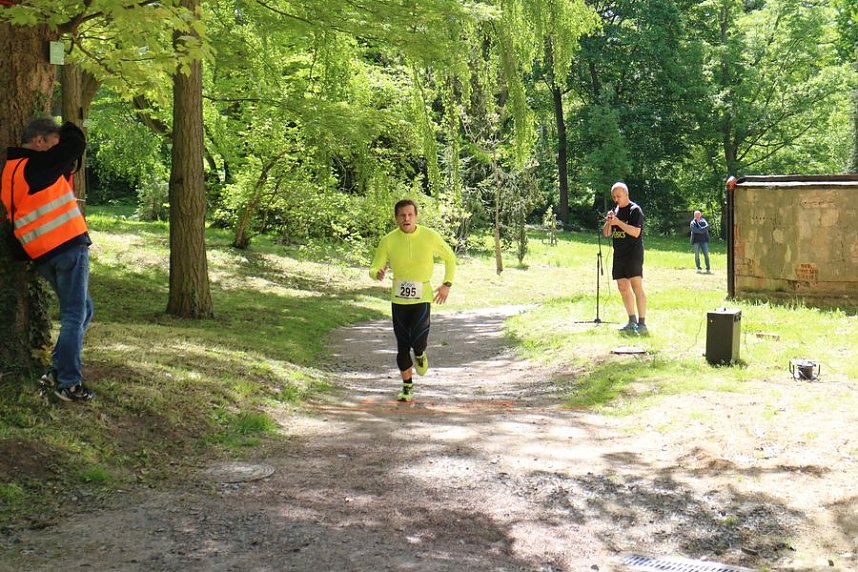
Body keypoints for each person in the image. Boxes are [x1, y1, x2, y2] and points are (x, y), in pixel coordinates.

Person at [1, 117, 95, 401]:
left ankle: (57, 369)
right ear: (39, 141)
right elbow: (76, 143)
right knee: (74, 314)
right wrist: (67, 123)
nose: (58, 150)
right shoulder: (37, 166)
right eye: (53, 143)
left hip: (41, 253)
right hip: (65, 247)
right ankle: (68, 382)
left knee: (84, 311)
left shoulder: (12, 169)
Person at [369, 199, 456, 402]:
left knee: (418, 341)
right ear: (396, 218)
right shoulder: (388, 240)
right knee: (401, 345)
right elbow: (374, 267)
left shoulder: (429, 236)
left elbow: (450, 257)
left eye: (410, 214)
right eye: (402, 215)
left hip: (422, 297)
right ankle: (407, 387)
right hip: (398, 300)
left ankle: (420, 353)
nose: (406, 218)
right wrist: (377, 274)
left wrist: (447, 284)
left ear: (416, 216)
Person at [602, 182, 647, 335]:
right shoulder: (615, 211)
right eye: (614, 197)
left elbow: (635, 232)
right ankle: (631, 320)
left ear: (626, 195)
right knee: (622, 287)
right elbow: (607, 234)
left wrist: (618, 222)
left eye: (618, 196)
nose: (616, 199)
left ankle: (642, 323)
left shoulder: (635, 210)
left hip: (633, 254)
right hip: (619, 254)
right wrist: (609, 222)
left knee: (636, 287)